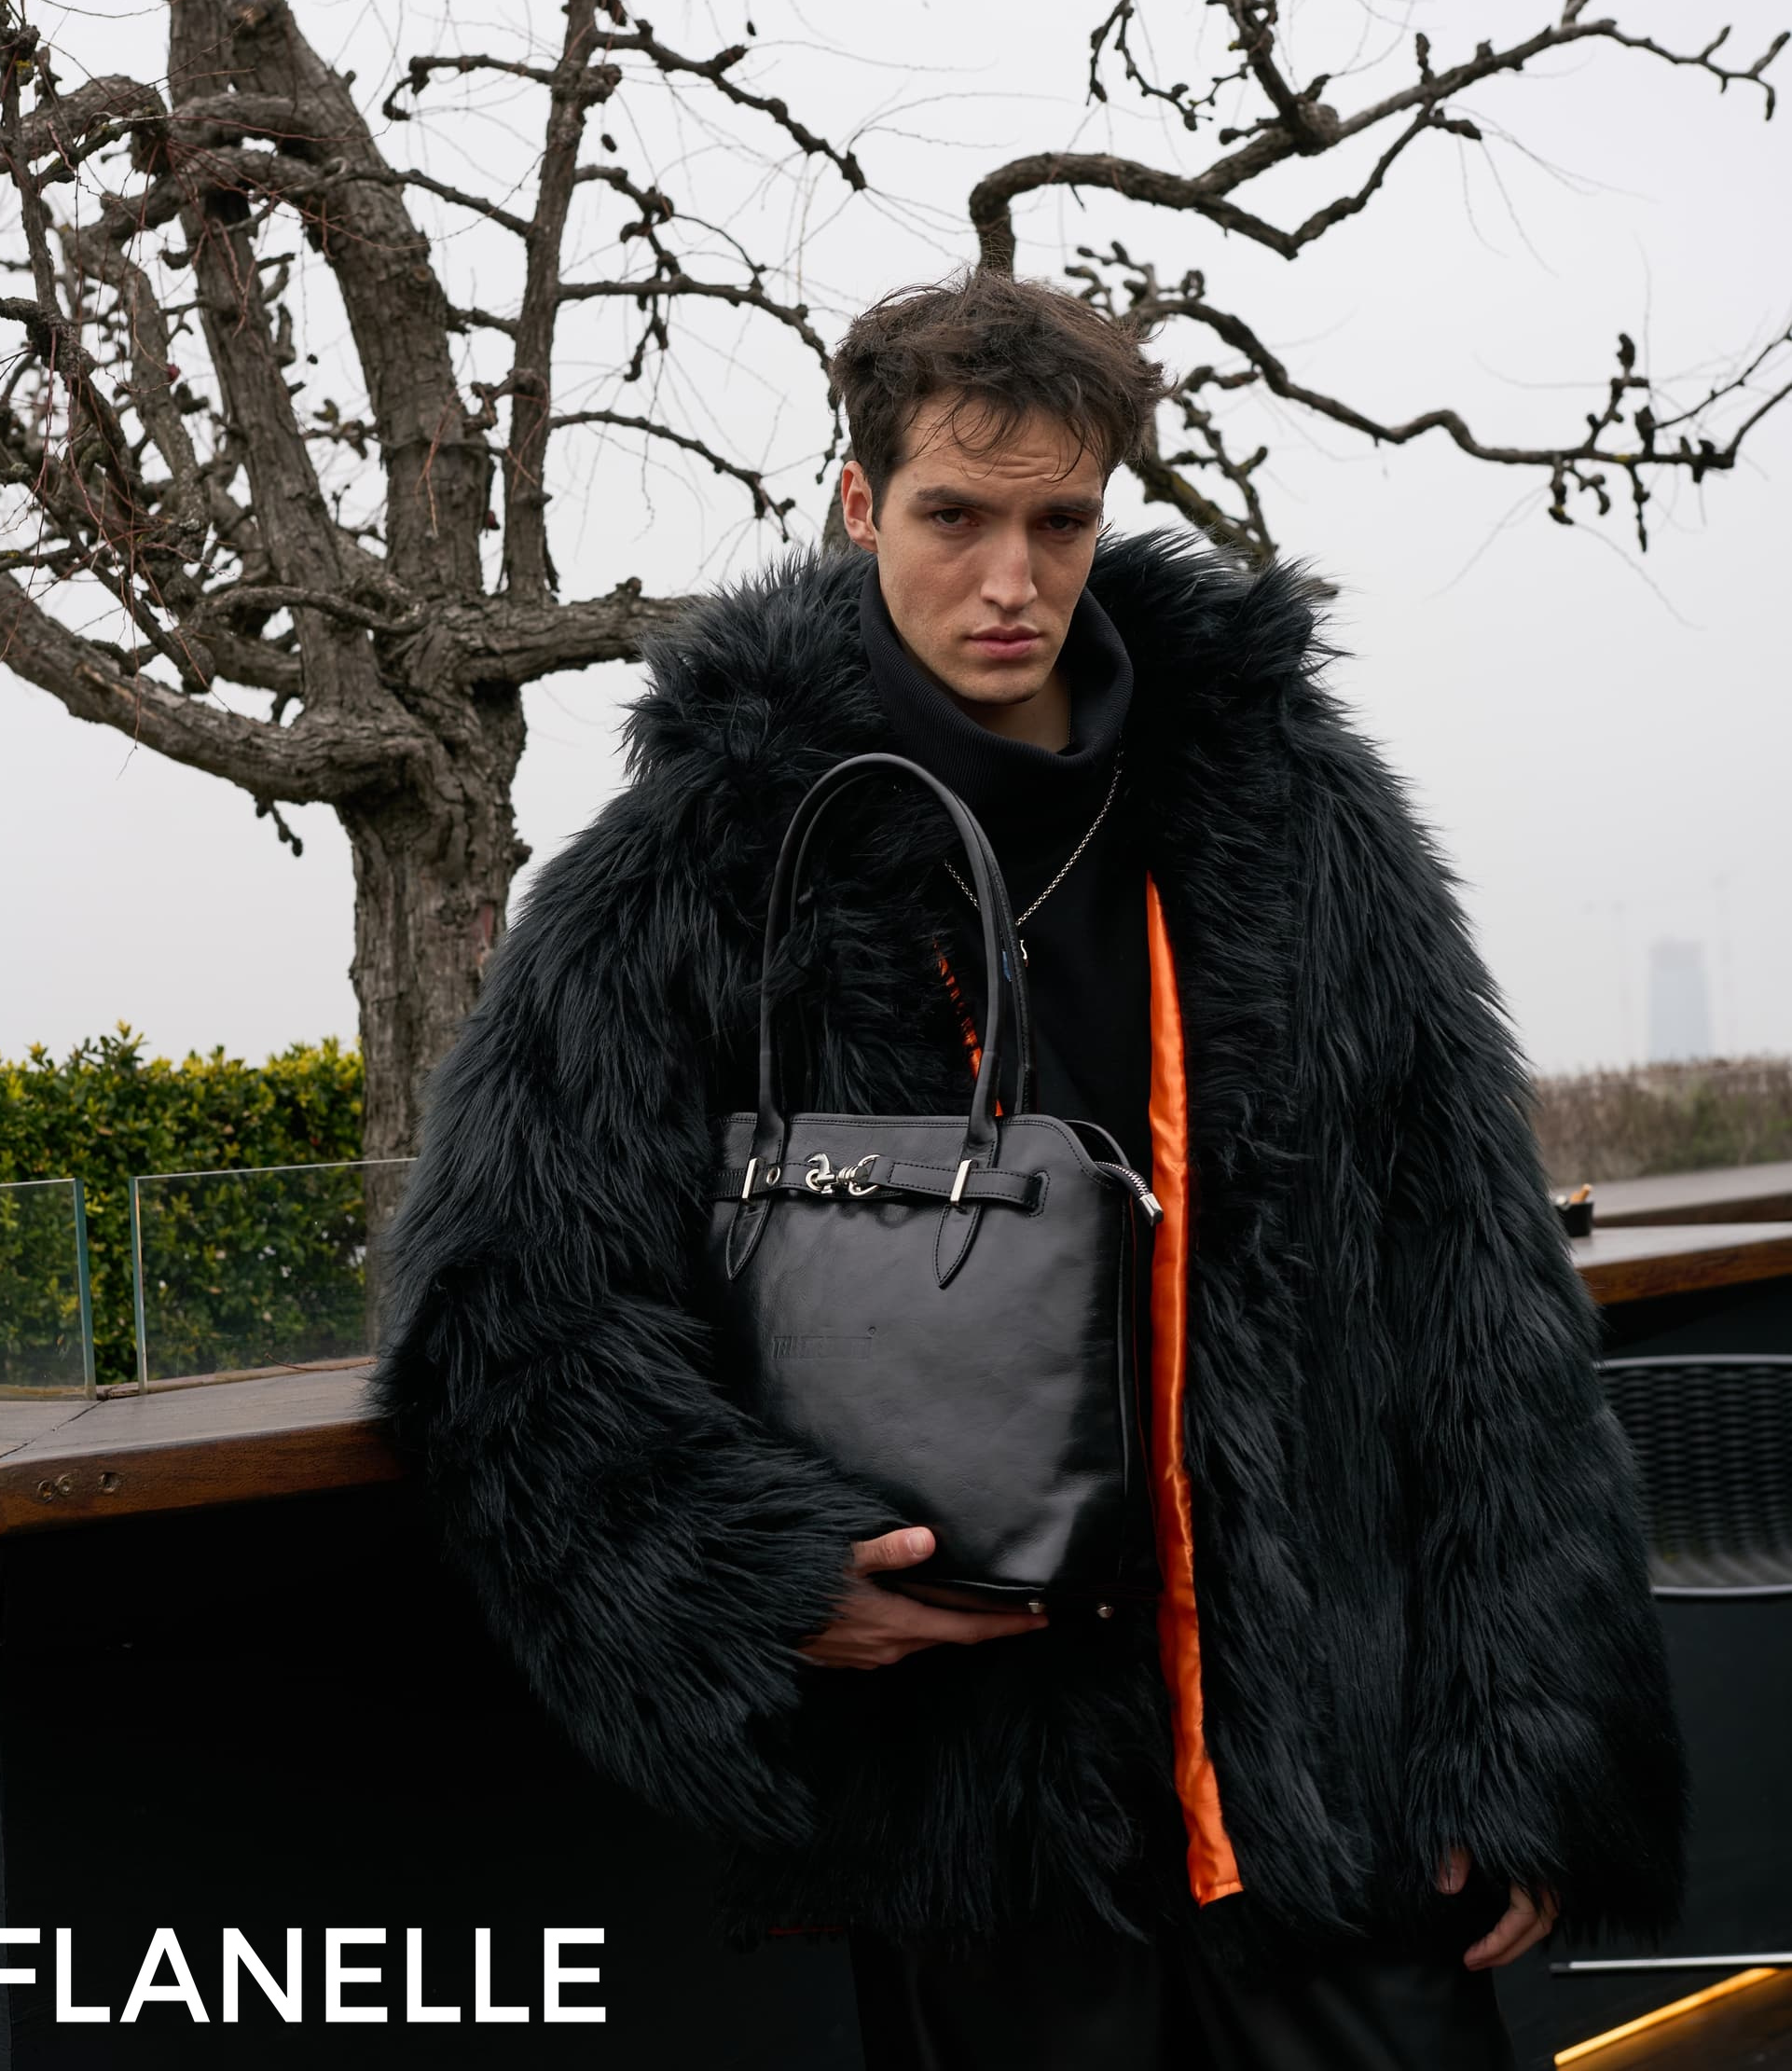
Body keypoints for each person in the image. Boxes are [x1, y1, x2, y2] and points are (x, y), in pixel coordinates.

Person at [371, 269, 1684, 2066]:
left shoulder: (1289, 815)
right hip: (982, 1796)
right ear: (859, 506)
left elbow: (1477, 1298)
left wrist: (1526, 1730)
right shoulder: (703, 860)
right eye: (954, 519)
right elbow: (500, 1318)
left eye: (1058, 522)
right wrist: (749, 1569)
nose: (1010, 579)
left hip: (1338, 1778)